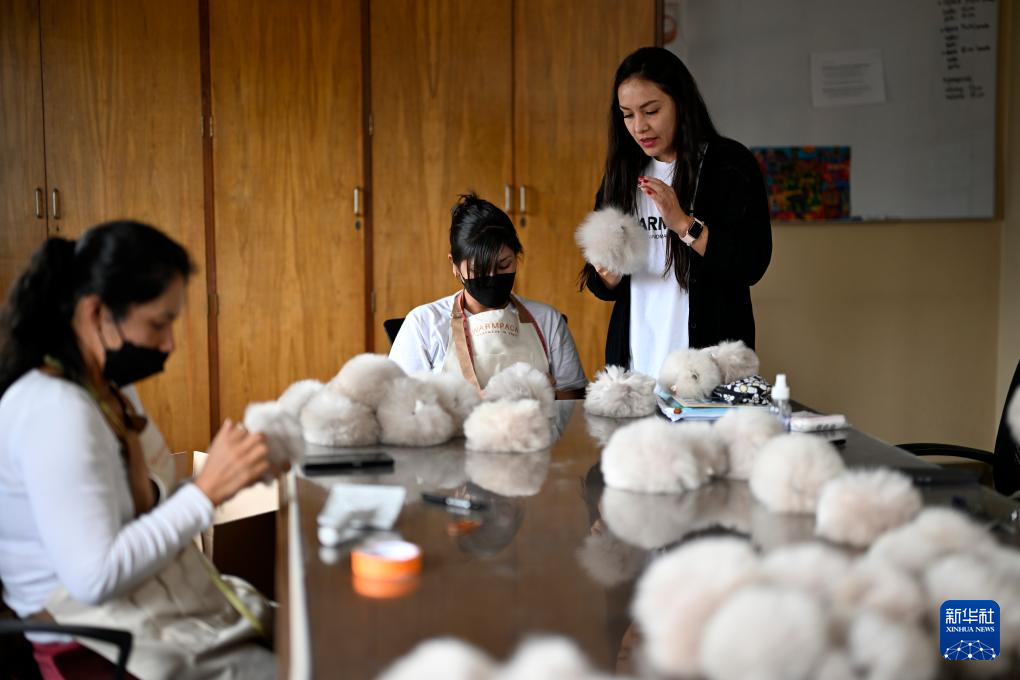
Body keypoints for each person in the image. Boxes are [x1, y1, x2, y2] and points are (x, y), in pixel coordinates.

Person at [0, 221, 285, 679]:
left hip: (148, 599)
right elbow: (95, 578)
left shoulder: (112, 391)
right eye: (158, 323)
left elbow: (150, 513)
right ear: (97, 313)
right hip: (95, 645)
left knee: (306, 634)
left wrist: (230, 476)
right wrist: (205, 492)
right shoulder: (54, 411)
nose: (169, 343)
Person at [581, 46, 772, 378]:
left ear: (681, 103)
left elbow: (751, 264)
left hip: (709, 367)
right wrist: (608, 269)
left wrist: (683, 224)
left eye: (651, 111)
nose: (639, 127)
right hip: (636, 367)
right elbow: (602, 285)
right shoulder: (623, 174)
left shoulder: (728, 164)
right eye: (628, 115)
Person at [390, 194, 587, 398]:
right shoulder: (424, 323)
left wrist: (547, 395)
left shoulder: (547, 320)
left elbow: (575, 398)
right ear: (454, 266)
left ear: (516, 257)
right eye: (479, 269)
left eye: (504, 265)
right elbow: (399, 402)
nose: (493, 276)